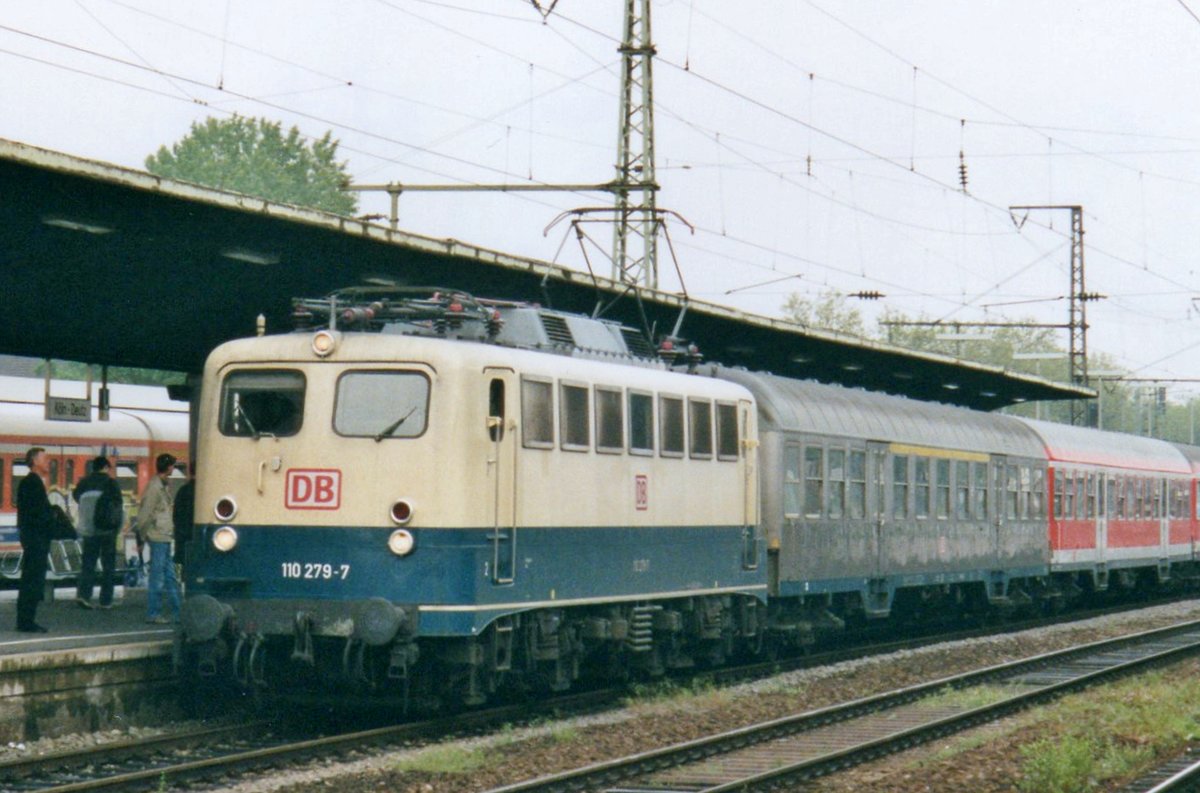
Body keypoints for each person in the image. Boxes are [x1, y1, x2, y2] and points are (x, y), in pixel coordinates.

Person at [135, 453, 181, 624]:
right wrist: (143, 535)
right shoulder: (155, 488)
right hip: (158, 536)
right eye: (173, 466)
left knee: (169, 575)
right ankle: (153, 613)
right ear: (168, 467)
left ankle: (178, 611)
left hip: (164, 536)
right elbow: (144, 514)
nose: (173, 469)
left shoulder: (161, 485)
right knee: (159, 576)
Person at [72, 456, 124, 609]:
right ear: (106, 467)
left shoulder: (84, 483)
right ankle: (105, 600)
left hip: (89, 530)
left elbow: (77, 498)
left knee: (88, 564)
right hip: (107, 530)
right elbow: (118, 507)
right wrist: (117, 527)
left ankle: (84, 596)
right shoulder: (111, 483)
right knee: (108, 566)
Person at [15, 447, 54, 632]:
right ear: (35, 461)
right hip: (36, 538)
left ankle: (26, 619)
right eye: (45, 458)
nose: (48, 462)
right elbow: (37, 514)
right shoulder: (32, 483)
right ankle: (26, 621)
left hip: (33, 538)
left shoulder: (31, 482)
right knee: (32, 579)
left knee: (31, 578)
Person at [172, 465, 195, 572]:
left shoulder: (182, 491)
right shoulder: (206, 492)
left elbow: (176, 515)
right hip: (198, 537)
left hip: (183, 538)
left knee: (184, 570)